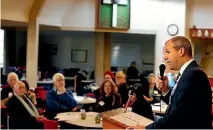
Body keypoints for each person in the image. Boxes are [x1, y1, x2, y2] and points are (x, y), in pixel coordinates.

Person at [144, 36, 212, 129]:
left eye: (168, 52)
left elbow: (178, 116)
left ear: (181, 51)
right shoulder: (188, 72)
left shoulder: (194, 75)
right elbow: (179, 105)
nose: (164, 57)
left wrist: (146, 128)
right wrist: (166, 90)